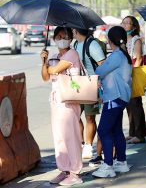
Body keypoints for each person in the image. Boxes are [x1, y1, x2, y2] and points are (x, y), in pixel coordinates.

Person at [40, 27, 83, 186]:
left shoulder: (71, 54)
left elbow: (54, 70)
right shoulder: (55, 56)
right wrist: (43, 61)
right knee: (59, 137)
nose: (62, 39)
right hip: (57, 100)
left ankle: (75, 172)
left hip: (69, 100)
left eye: (65, 36)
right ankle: (64, 169)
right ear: (54, 39)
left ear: (71, 39)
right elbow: (45, 77)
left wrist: (47, 65)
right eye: (59, 36)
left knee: (70, 137)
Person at [92, 26, 132, 178]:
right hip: (120, 97)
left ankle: (108, 165)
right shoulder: (123, 54)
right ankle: (121, 162)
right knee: (115, 130)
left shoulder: (116, 56)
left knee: (103, 130)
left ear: (110, 41)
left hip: (114, 98)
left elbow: (100, 71)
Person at [72, 28, 106, 161]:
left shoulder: (92, 44)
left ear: (76, 30)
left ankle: (88, 145)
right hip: (78, 84)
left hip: (92, 85)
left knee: (89, 117)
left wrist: (99, 82)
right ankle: (80, 144)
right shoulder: (75, 44)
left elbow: (102, 64)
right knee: (75, 115)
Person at [122, 16, 146, 144]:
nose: (125, 25)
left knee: (136, 104)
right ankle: (132, 132)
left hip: (133, 73)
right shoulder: (123, 40)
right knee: (129, 105)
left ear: (134, 26)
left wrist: (130, 73)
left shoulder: (136, 40)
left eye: (128, 23)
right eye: (123, 22)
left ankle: (140, 134)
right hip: (125, 73)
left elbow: (138, 58)